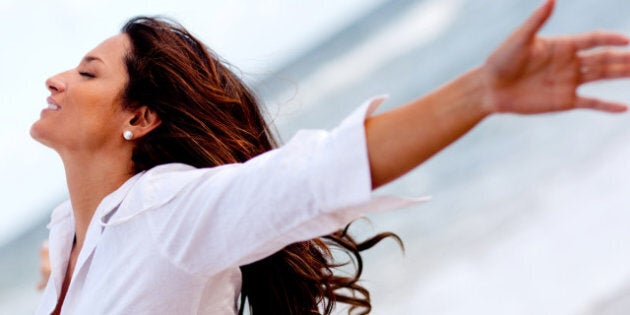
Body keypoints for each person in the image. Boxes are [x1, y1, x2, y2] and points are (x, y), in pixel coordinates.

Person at [31, 0, 630, 314]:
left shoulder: (167, 213)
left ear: (139, 117)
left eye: (87, 73)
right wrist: (64, 270)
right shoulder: (71, 241)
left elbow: (315, 177)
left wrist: (483, 93)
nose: (56, 80)